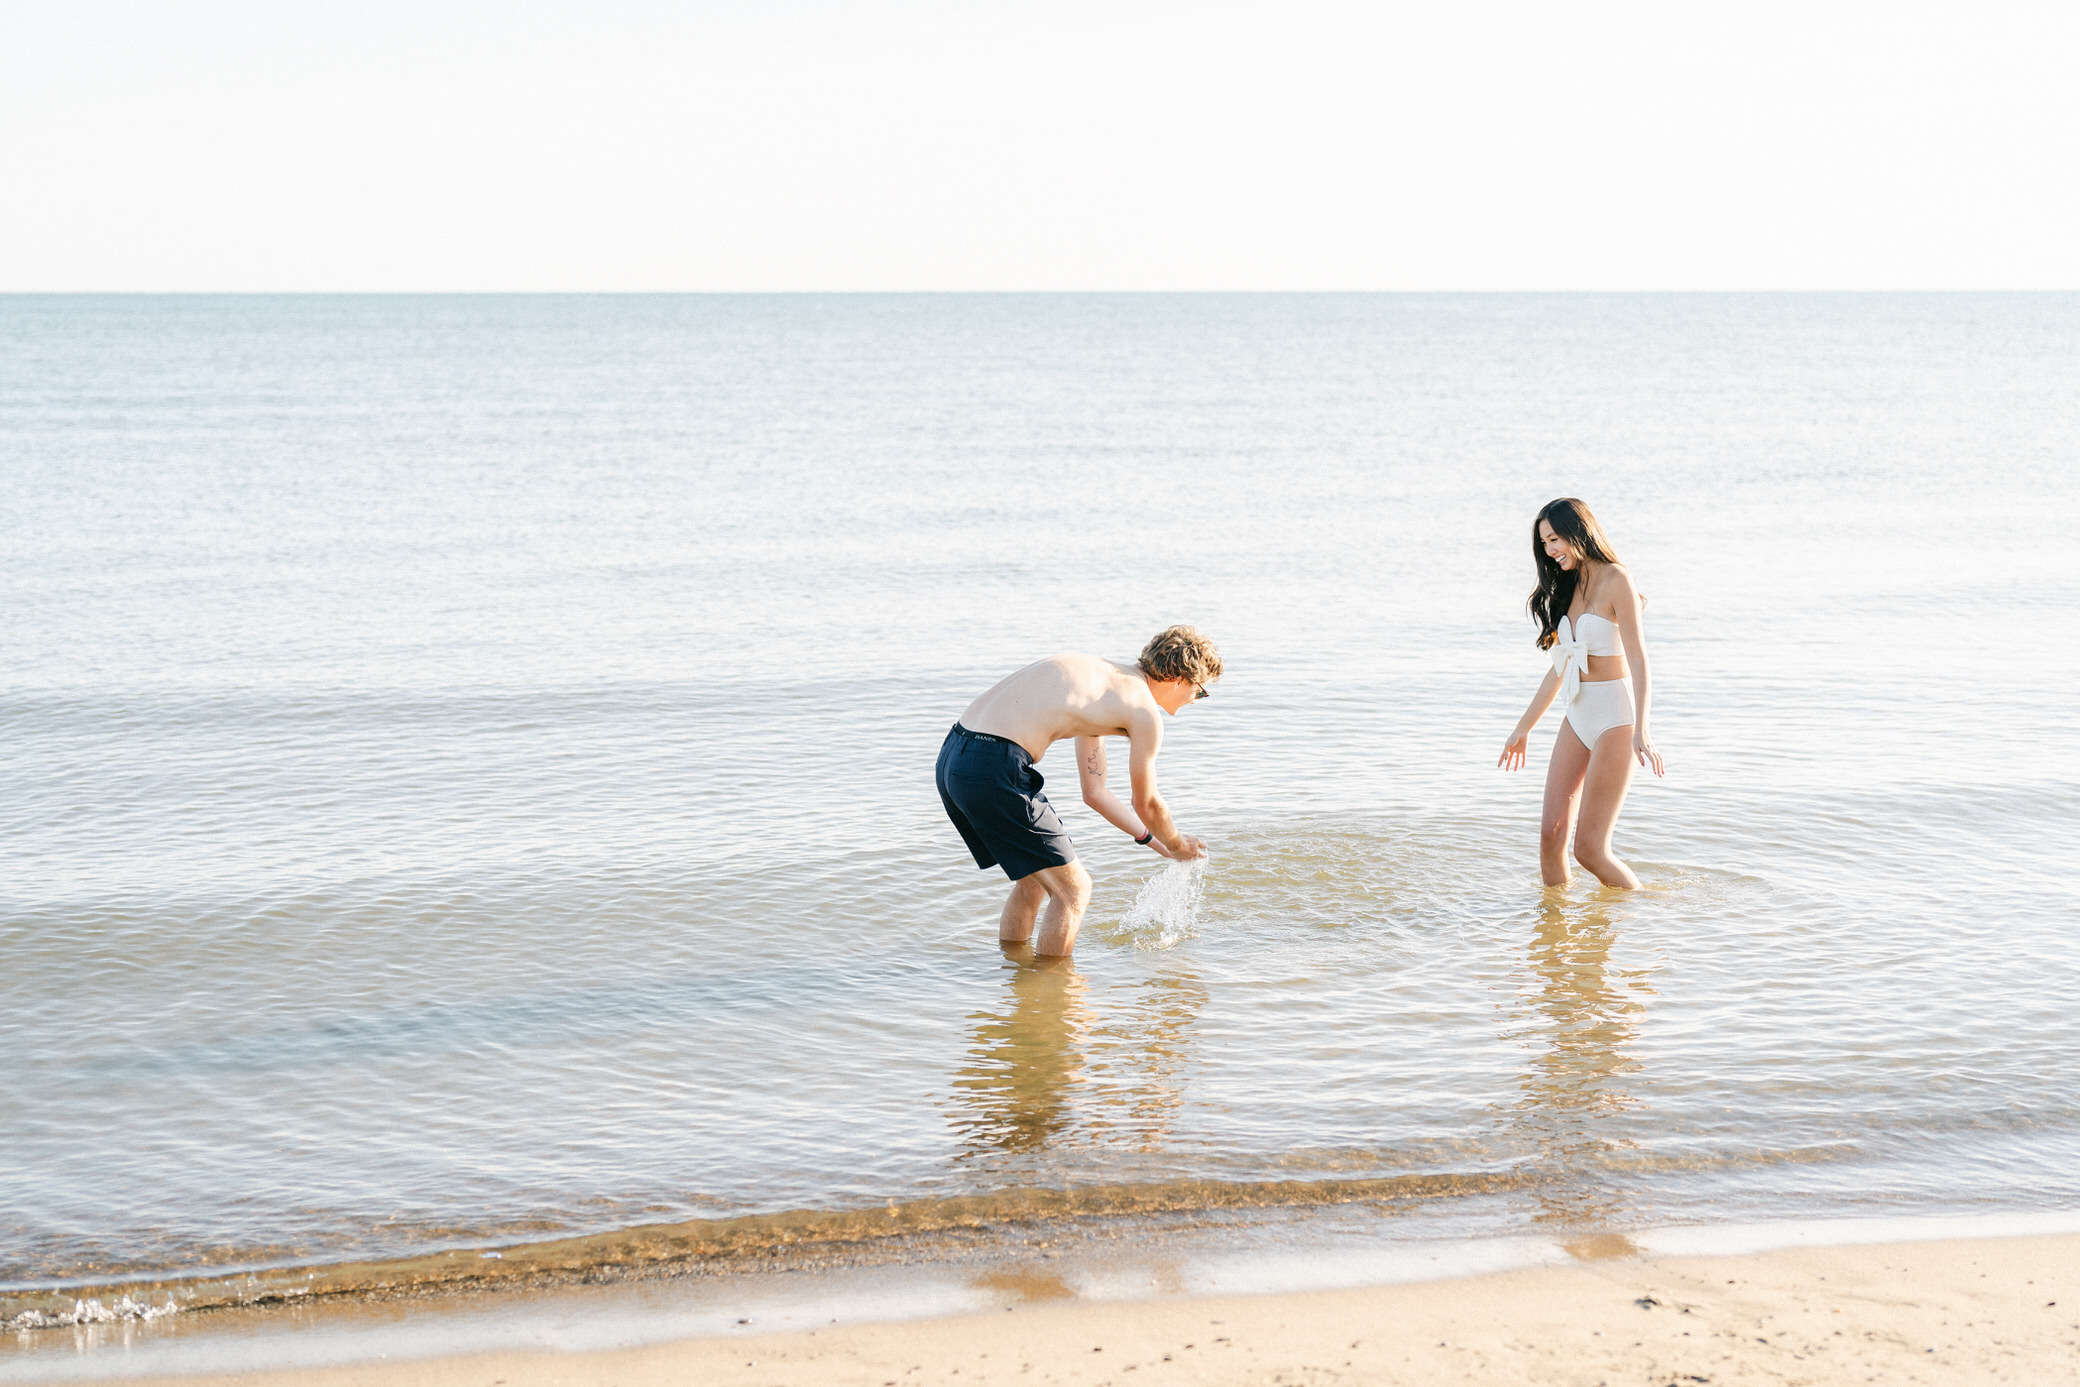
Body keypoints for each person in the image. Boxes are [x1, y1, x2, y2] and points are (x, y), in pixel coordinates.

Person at [936, 625, 1219, 956]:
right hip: (994, 764)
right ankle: (1056, 1001)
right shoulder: (1143, 711)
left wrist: (1156, 843)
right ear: (1179, 679)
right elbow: (1148, 803)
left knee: (1033, 883)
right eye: (1200, 692)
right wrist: (1177, 842)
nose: (1195, 700)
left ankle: (1015, 974)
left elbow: (1095, 792)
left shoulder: (1103, 683)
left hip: (955, 756)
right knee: (1074, 891)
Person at [1499, 498, 1665, 888]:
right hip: (1577, 714)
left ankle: (1640, 913)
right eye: (1544, 544)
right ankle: (1555, 937)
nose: (1550, 551)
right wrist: (1523, 728)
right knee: (1550, 838)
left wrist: (1642, 729)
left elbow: (1640, 660)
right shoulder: (1569, 586)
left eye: (1554, 539)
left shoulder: (1617, 580)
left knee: (1589, 850)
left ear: (1578, 531)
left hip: (1615, 719)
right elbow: (1560, 667)